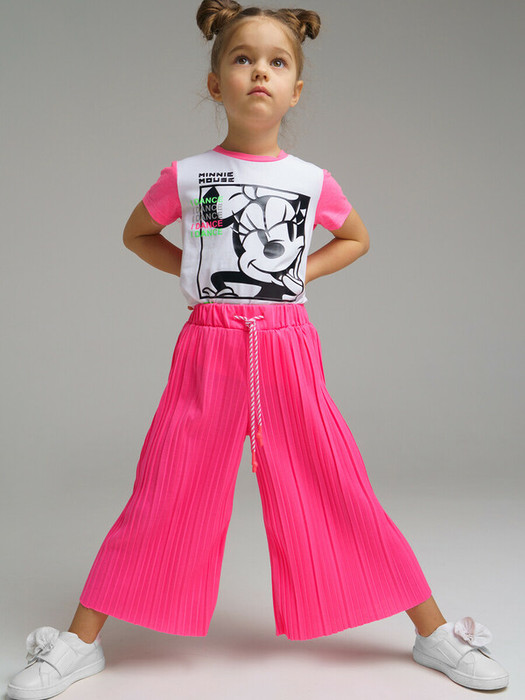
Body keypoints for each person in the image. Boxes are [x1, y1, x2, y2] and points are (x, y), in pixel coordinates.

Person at [7, 2, 509, 698]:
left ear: (295, 89)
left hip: (287, 350)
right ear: (216, 83)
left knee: (339, 486)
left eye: (277, 62)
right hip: (208, 352)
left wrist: (299, 274)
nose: (259, 73)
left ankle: (432, 633)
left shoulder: (311, 180)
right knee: (163, 490)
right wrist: (196, 276)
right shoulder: (187, 176)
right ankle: (81, 643)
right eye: (242, 59)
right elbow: (137, 234)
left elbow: (355, 238)